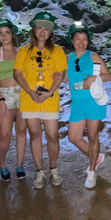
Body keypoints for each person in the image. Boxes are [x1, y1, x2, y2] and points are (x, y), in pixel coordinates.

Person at [13, 11, 67, 189]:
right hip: (29, 99)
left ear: (51, 32)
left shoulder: (57, 51)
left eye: (47, 28)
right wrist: (30, 92)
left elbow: (60, 74)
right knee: (35, 134)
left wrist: (49, 92)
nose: (43, 32)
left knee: (52, 135)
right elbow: (17, 73)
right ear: (33, 30)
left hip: (50, 99)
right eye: (39, 28)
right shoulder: (23, 51)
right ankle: (39, 171)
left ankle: (53, 169)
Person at [65, 22, 111, 188]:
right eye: (77, 38)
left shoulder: (94, 57)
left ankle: (92, 171)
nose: (81, 42)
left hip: (93, 102)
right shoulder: (67, 59)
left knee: (93, 136)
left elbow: (108, 76)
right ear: (72, 40)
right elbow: (63, 79)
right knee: (74, 137)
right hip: (77, 103)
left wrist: (95, 78)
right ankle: (96, 157)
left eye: (84, 39)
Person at [0, 18, 27, 181]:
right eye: (0, 33)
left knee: (21, 131)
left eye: (7, 32)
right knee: (4, 133)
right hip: (5, 95)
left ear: (12, 34)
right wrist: (0, 100)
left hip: (23, 95)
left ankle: (19, 164)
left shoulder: (22, 52)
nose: (4, 36)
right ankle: (2, 165)